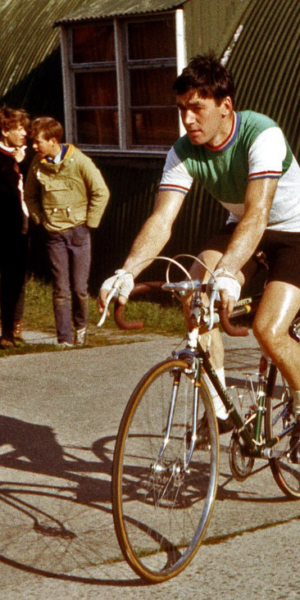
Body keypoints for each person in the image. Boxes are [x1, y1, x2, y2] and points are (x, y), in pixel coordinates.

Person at [98, 53, 300, 441]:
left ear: (225, 107)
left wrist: (228, 272)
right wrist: (128, 271)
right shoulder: (182, 151)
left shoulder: (262, 134)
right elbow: (162, 219)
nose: (187, 119)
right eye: (181, 109)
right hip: (241, 228)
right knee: (194, 291)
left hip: (293, 233)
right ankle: (220, 407)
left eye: (196, 108)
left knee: (268, 331)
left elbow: (259, 213)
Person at [25, 117, 110, 347]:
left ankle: (81, 328)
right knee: (60, 288)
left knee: (80, 288)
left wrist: (90, 223)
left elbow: (101, 192)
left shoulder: (79, 161)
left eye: (37, 142)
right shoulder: (37, 162)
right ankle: (64, 338)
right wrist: (39, 219)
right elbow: (29, 195)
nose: (34, 146)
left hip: (78, 232)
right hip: (54, 234)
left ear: (53, 140)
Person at [0, 106, 30, 348]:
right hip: (3, 222)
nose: (24, 133)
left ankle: (9, 330)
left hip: (20, 223)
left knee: (15, 278)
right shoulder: (4, 159)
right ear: (4, 130)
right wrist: (13, 163)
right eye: (18, 129)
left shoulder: (27, 156)